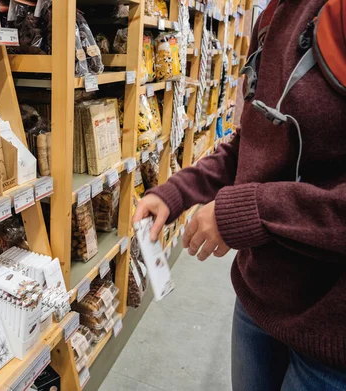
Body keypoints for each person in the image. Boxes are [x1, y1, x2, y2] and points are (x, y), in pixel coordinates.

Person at [132, 0, 346, 389]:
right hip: (259, 300)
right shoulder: (275, 13)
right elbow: (258, 143)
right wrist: (177, 192)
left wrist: (249, 212)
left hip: (331, 336)